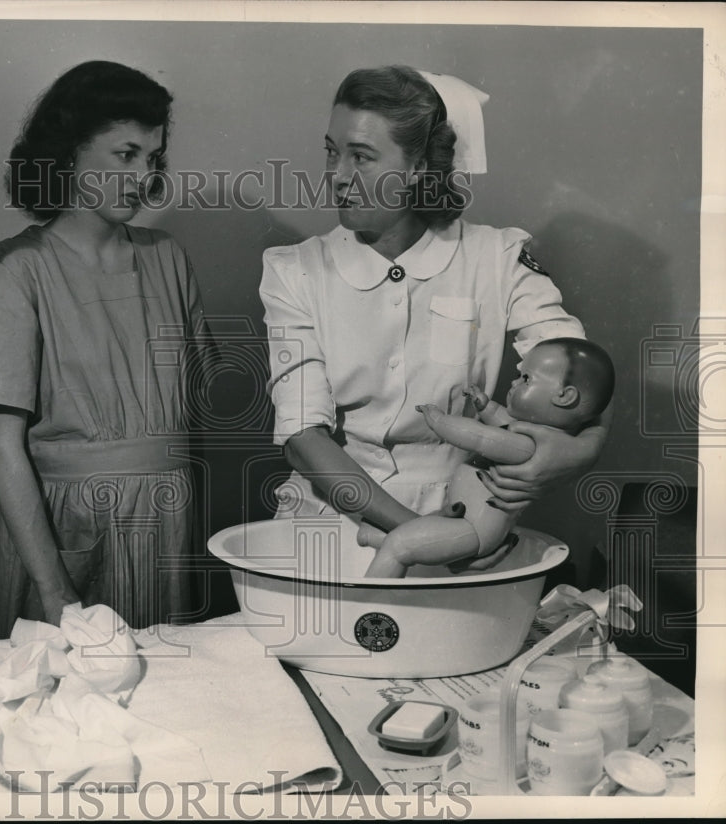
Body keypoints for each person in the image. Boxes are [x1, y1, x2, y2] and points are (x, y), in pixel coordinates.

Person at [259, 65, 611, 558]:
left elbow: (582, 368)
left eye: (361, 157)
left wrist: (582, 450)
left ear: (419, 167)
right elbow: (302, 436)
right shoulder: (295, 270)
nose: (337, 176)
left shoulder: (497, 258)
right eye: (332, 152)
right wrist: (425, 538)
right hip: (327, 522)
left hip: (462, 510)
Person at [0, 61, 215, 634]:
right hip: (66, 534)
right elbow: (0, 450)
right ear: (70, 154)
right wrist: (55, 594)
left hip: (170, 531)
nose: (143, 176)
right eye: (126, 155)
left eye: (153, 159)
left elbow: (193, 420)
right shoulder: (15, 269)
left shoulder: (168, 258)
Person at [364, 338, 615, 577]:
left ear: (564, 396)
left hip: (473, 529)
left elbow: (479, 437)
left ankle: (365, 601)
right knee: (411, 535)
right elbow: (501, 420)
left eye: (526, 378)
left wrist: (439, 421)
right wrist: (486, 407)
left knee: (399, 546)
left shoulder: (529, 445)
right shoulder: (530, 433)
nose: (514, 382)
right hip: (465, 520)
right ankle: (372, 538)